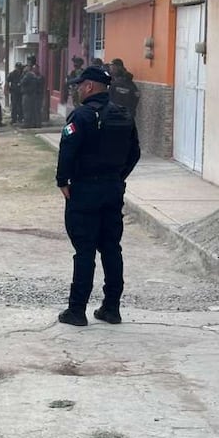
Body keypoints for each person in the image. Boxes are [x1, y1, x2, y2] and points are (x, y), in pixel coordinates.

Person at [56, 66, 141, 327]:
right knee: (111, 249)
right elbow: (135, 153)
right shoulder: (123, 115)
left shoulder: (81, 116)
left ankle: (77, 310)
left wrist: (63, 181)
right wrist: (118, 177)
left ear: (90, 87)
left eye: (80, 85)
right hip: (112, 190)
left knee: (84, 251)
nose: (78, 89)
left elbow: (67, 151)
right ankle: (111, 308)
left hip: (84, 192)